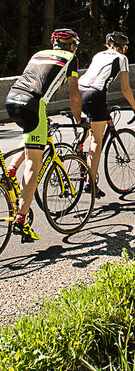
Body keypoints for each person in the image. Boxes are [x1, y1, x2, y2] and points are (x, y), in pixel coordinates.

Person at [5, 28, 82, 242]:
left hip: (13, 98)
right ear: (71, 46)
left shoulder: (38, 54)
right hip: (34, 104)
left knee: (32, 135)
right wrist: (78, 119)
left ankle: (10, 172)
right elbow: (74, 94)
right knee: (34, 163)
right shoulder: (71, 58)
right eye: (75, 45)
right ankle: (21, 220)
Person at [78, 31, 135, 198]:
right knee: (96, 141)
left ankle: (76, 149)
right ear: (122, 47)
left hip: (79, 90)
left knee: (88, 128)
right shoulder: (122, 59)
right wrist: (134, 106)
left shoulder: (98, 55)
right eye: (125, 47)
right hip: (95, 94)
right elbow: (125, 89)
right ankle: (90, 183)